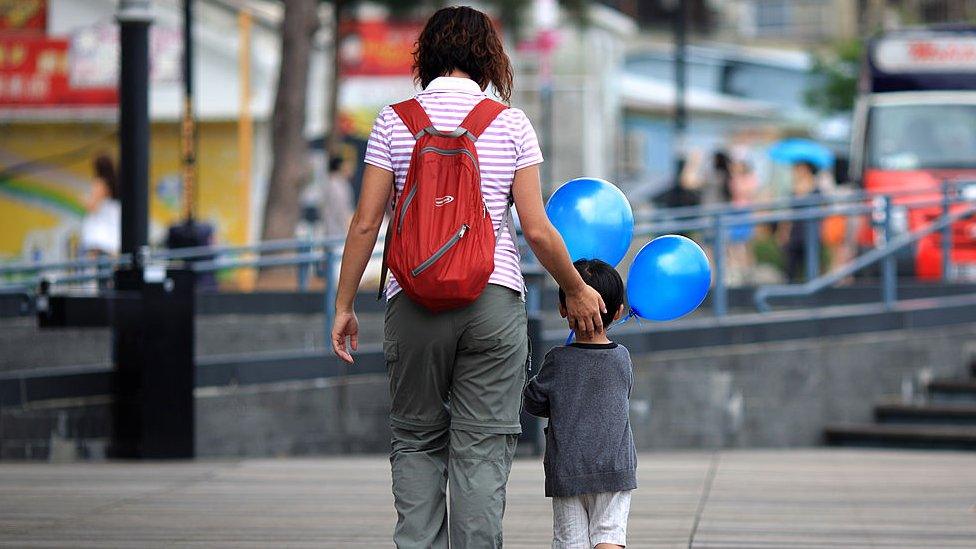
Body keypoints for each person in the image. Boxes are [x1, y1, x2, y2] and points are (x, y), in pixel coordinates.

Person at [329, 6, 605, 548]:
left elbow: (365, 224)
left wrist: (342, 306)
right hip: (492, 297)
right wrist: (575, 286)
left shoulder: (394, 119)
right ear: (488, 58)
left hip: (411, 299)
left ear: (427, 55)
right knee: (481, 446)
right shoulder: (509, 122)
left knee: (415, 438)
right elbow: (538, 230)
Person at [523, 258, 637, 549]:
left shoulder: (557, 361)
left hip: (568, 469)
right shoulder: (622, 358)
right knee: (609, 535)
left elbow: (533, 402)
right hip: (614, 467)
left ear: (564, 308)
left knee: (570, 541)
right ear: (619, 312)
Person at [780, 160, 822, 282]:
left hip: (810, 234)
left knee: (811, 267)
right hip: (795, 234)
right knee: (790, 268)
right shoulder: (793, 190)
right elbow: (789, 214)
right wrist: (784, 232)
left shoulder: (816, 189)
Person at [81, 153, 121, 258]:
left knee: (95, 265)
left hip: (99, 234)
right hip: (113, 232)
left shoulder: (99, 183)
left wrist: (83, 199)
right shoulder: (116, 182)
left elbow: (93, 206)